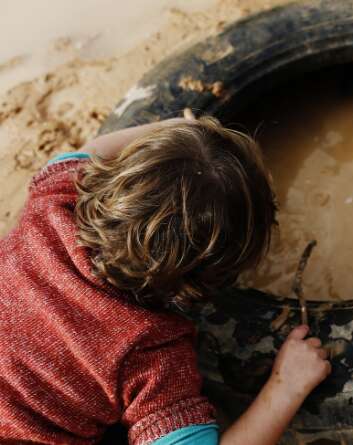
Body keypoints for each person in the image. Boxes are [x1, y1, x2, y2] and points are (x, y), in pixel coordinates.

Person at [0, 114, 331, 444]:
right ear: (215, 274)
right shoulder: (150, 351)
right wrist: (287, 386)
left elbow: (97, 148)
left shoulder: (55, 197)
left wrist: (184, 132)